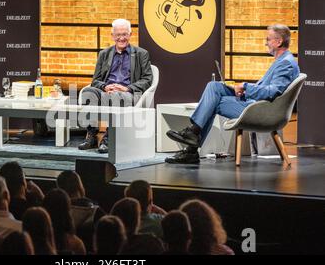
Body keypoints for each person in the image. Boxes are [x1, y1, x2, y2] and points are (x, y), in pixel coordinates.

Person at [165, 24, 300, 164]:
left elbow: (272, 92)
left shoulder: (286, 63)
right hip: (255, 104)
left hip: (260, 110)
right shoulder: (283, 61)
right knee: (213, 87)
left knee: (213, 101)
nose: (266, 42)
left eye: (268, 39)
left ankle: (192, 145)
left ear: (279, 42)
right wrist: (243, 88)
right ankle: (193, 134)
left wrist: (246, 86)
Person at [78, 18, 153, 153]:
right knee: (88, 92)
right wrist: (105, 87)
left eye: (124, 34)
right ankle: (92, 136)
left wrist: (128, 88)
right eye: (118, 35)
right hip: (107, 91)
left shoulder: (141, 54)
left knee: (117, 96)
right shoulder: (104, 54)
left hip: (128, 94)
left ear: (130, 35)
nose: (121, 38)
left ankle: (109, 137)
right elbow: (96, 80)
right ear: (113, 36)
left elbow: (147, 79)